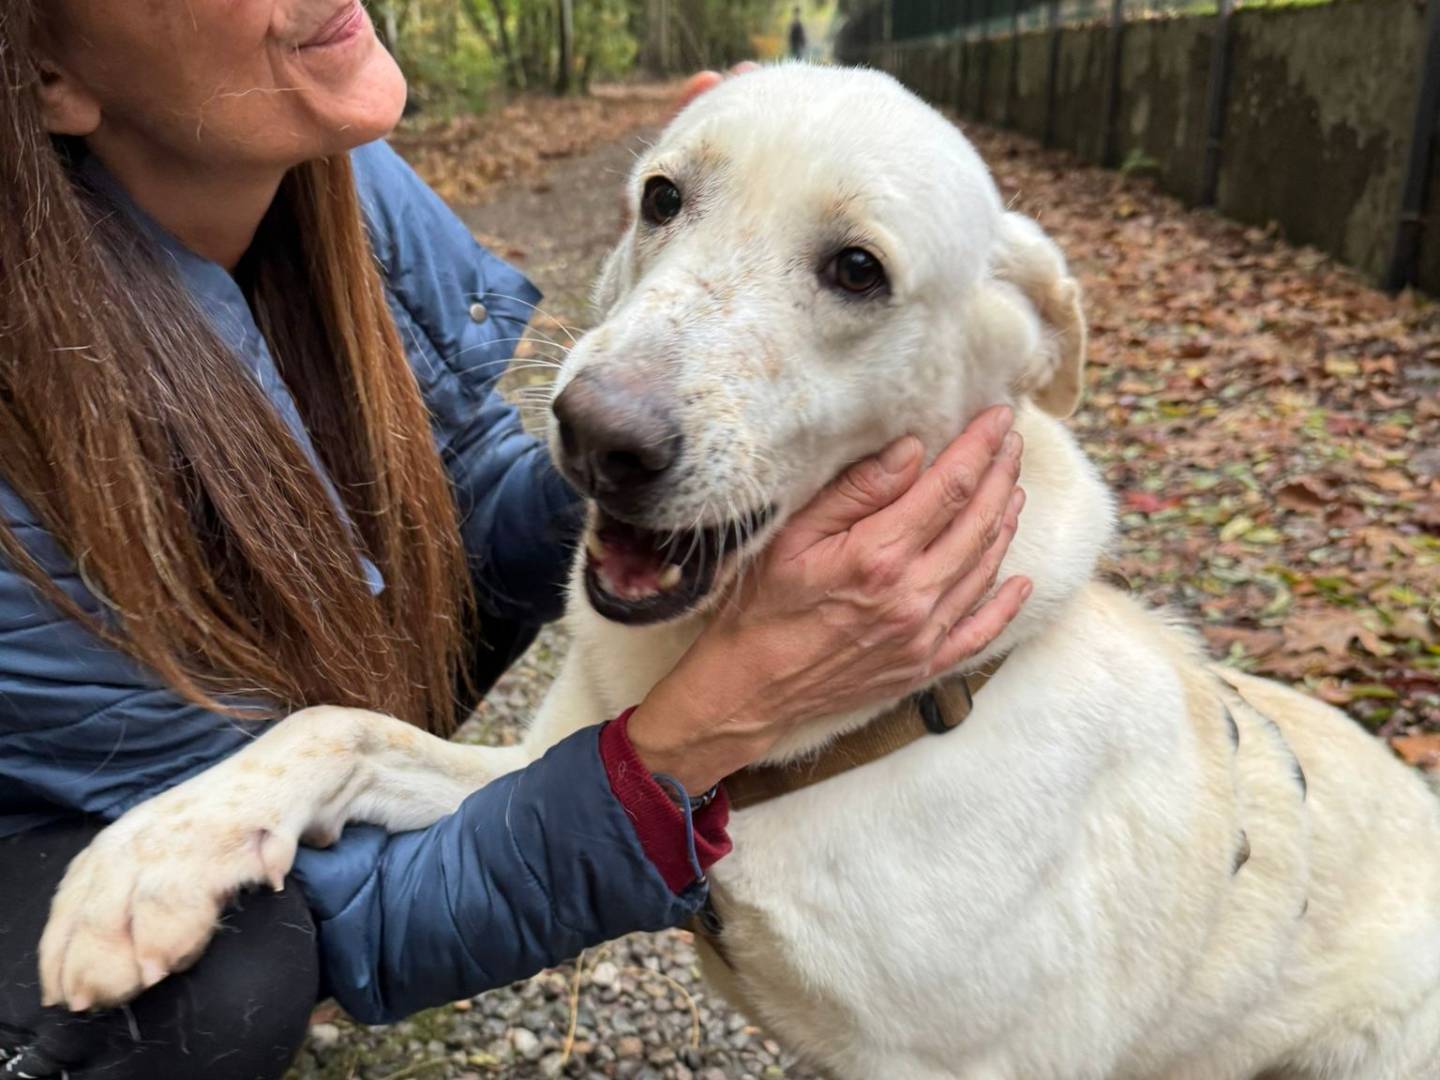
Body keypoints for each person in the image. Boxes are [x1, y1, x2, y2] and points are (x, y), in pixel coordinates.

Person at [0, 3, 1030, 1078]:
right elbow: (362, 925)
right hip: (47, 837)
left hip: (291, 691)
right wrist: (698, 729)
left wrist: (720, 269)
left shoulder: (333, 160)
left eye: (855, 269)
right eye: (663, 200)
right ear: (46, 72)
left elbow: (483, 512)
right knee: (214, 980)